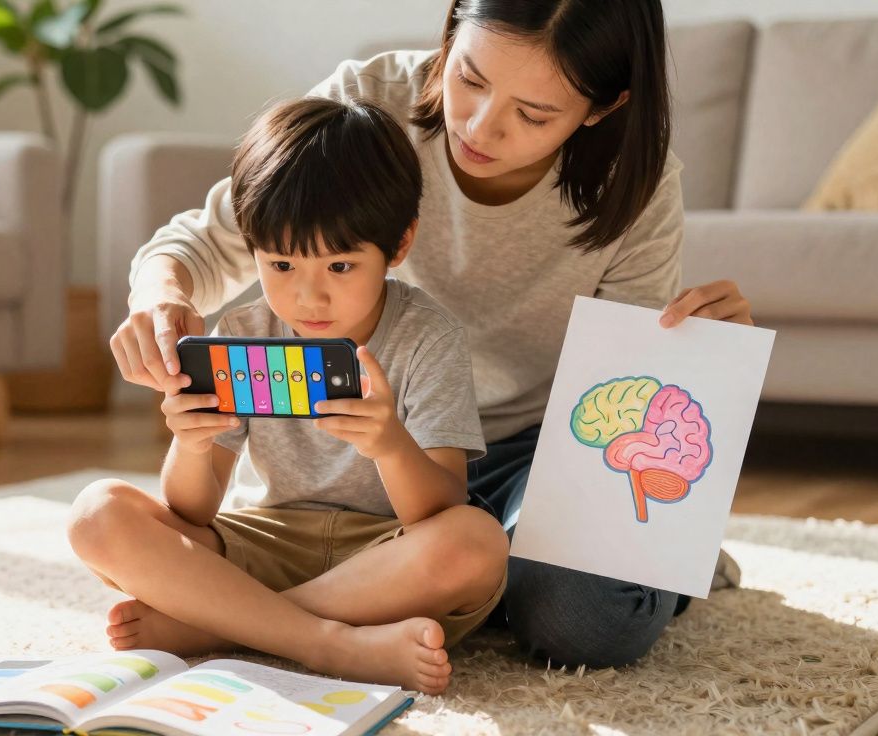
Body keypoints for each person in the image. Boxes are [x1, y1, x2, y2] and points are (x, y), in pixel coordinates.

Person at [110, 0, 754, 670]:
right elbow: (212, 239)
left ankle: (241, 620)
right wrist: (159, 297)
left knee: (586, 621)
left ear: (602, 107)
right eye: (469, 78)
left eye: (533, 114)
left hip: (533, 450)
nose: (479, 125)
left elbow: (620, 394)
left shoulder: (634, 185)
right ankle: (348, 615)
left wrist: (687, 347)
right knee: (112, 520)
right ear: (450, 34)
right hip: (374, 461)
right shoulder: (368, 105)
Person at [69, 97, 508, 695]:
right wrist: (191, 444)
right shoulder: (242, 334)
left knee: (477, 541)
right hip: (260, 541)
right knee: (96, 514)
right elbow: (192, 511)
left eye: (340, 267)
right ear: (251, 247)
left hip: (382, 561)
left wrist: (390, 445)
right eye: (280, 265)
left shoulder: (427, 337)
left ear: (399, 245)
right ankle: (327, 642)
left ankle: (222, 624)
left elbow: (439, 509)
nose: (309, 297)